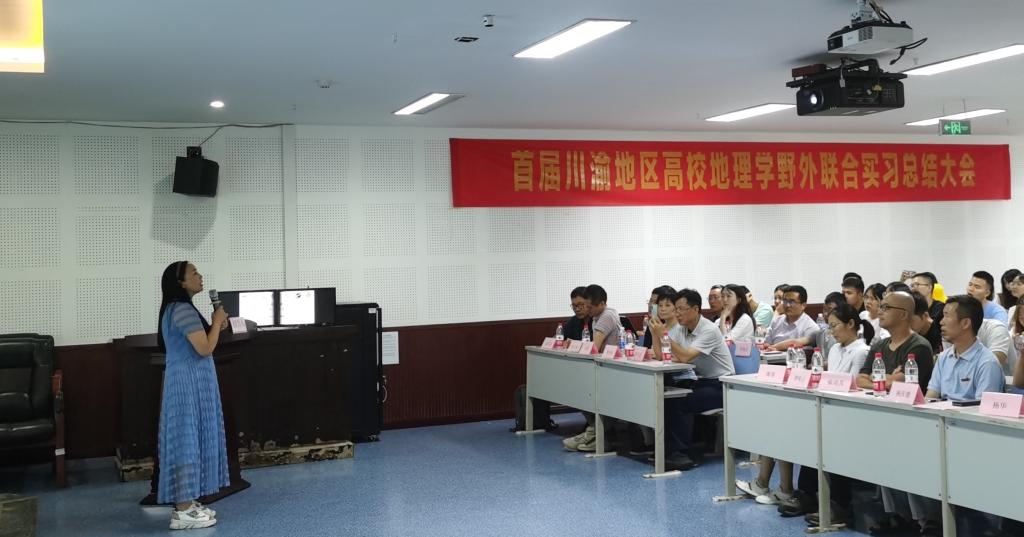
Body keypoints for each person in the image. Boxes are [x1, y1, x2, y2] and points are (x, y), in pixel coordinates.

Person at [879, 296, 1004, 537]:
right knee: (893, 450)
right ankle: (908, 518)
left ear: (965, 323)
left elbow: (983, 414)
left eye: (947, 315)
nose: (940, 321)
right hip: (941, 429)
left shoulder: (986, 363)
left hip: (970, 436)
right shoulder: (944, 358)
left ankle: (933, 522)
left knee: (924, 458)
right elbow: (930, 397)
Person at [780, 303, 873, 522]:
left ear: (851, 324)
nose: (831, 332)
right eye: (829, 326)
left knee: (834, 444)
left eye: (835, 326)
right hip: (829, 408)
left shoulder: (862, 351)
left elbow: (854, 385)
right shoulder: (834, 349)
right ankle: (807, 494)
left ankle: (840, 504)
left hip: (850, 413)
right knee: (810, 439)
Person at [156, 261, 229, 530]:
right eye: (194, 273)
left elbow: (202, 342)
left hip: (191, 382)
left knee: (193, 438)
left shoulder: (177, 309)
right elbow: (205, 349)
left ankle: (187, 502)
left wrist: (216, 325)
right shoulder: (182, 309)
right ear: (181, 282)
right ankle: (183, 510)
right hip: (188, 384)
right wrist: (217, 321)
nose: (200, 276)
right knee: (186, 441)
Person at [648, 289, 734, 471]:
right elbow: (661, 355)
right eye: (676, 309)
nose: (677, 313)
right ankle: (669, 450)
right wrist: (656, 333)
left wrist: (664, 335)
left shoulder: (708, 330)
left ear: (695, 309)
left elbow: (686, 357)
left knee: (679, 400)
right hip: (701, 381)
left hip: (723, 385)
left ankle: (682, 453)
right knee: (667, 396)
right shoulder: (681, 329)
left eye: (681, 309)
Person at [563, 284, 622, 452]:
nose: (586, 310)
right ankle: (594, 433)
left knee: (589, 392)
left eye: (589, 306)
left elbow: (594, 346)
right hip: (602, 366)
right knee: (578, 390)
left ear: (601, 304)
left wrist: (573, 344)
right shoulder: (596, 315)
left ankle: (595, 434)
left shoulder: (607, 316)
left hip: (612, 369)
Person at [856, 291, 935, 392]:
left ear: (903, 315)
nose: (879, 312)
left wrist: (872, 376)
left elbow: (897, 384)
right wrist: (884, 381)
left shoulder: (919, 346)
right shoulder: (878, 345)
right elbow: (860, 380)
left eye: (886, 307)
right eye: (880, 307)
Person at [764, 285, 819, 351]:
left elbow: (806, 352)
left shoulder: (810, 327)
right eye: (785, 301)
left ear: (803, 305)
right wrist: (765, 346)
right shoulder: (777, 321)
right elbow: (766, 344)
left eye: (792, 302)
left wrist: (774, 348)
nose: (787, 305)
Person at [911, 272, 945, 351]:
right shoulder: (911, 307)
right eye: (912, 285)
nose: (913, 288)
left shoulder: (941, 308)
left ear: (929, 287)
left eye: (917, 284)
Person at [815, 292, 846, 361]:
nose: (825, 314)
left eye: (830, 309)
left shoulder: (844, 334)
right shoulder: (821, 333)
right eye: (824, 309)